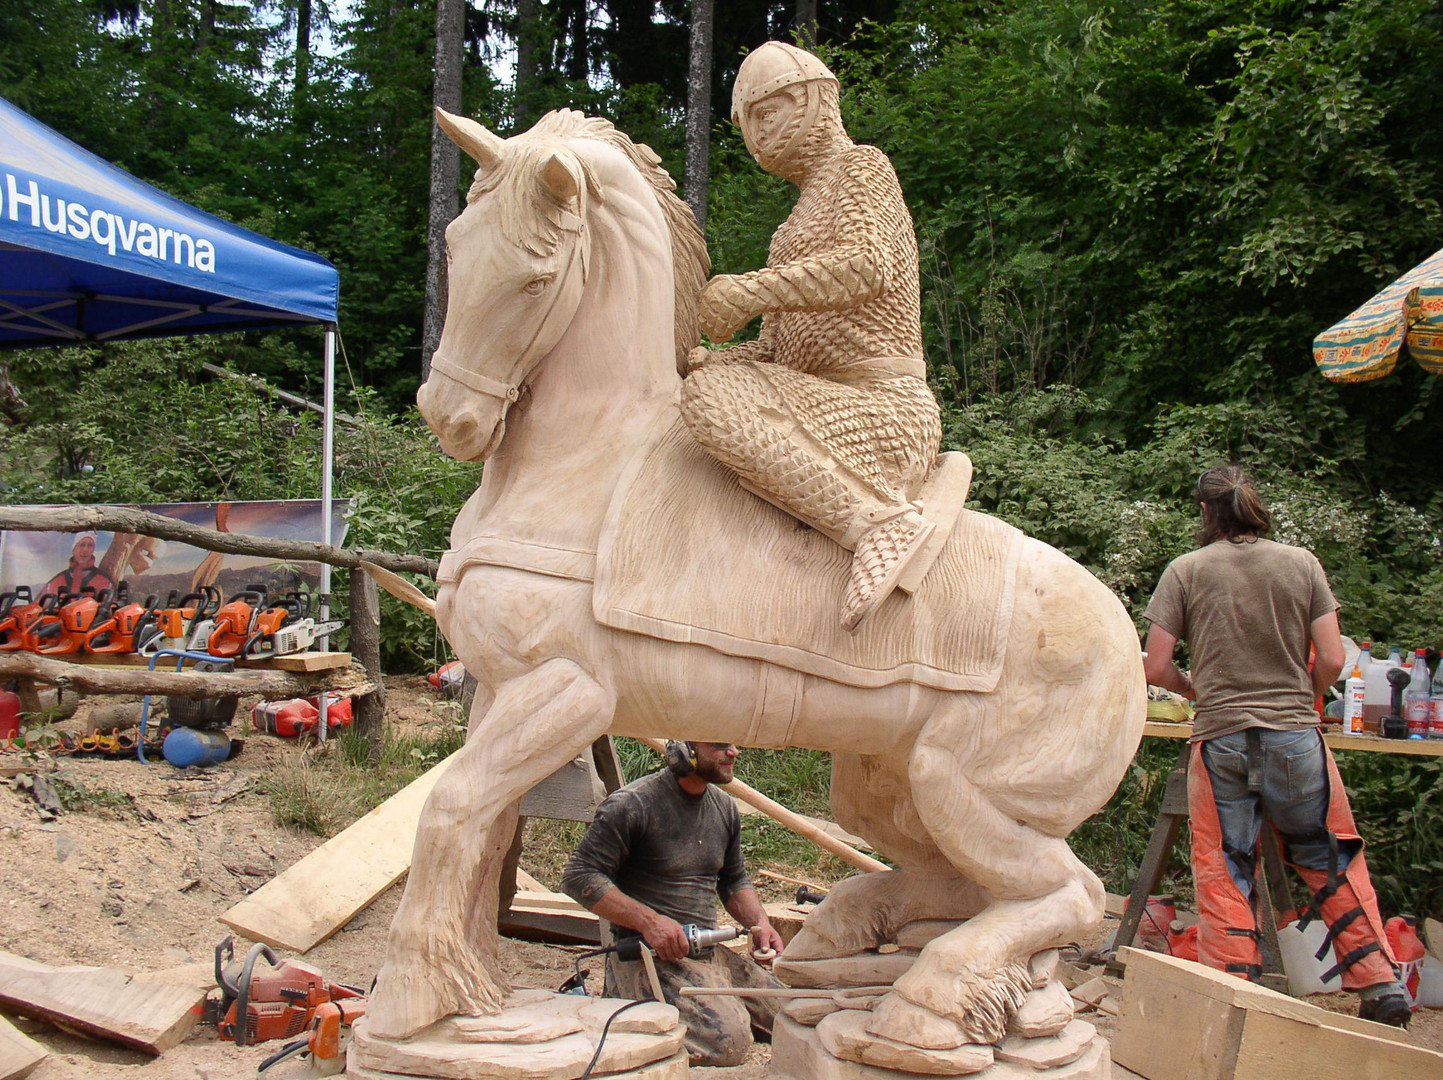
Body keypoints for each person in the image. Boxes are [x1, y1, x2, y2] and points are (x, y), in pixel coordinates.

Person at [680, 41, 942, 632]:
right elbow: (775, 352)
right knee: (703, 385)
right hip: (820, 399)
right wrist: (707, 358)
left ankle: (878, 521)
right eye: (749, 124)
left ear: (811, 101)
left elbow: (867, 265)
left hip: (880, 406)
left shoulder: (861, 167)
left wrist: (750, 292)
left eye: (767, 114)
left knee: (709, 401)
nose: (756, 138)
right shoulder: (789, 228)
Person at [1142, 465, 1410, 1025]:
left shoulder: (1185, 571)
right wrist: (1305, 701)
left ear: (1205, 512)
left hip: (1220, 738)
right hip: (1297, 738)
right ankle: (1380, 986)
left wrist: (1194, 687)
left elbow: (1157, 665)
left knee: (1225, 867)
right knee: (1329, 855)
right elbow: (1334, 659)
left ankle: (1238, 990)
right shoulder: (1301, 563)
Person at [561, 740, 787, 1066]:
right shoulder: (632, 805)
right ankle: (628, 1000)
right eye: (720, 744)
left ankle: (717, 1002)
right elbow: (579, 876)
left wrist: (760, 924)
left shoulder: (724, 808)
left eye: (735, 743)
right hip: (647, 957)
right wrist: (649, 922)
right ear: (685, 749)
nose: (734, 752)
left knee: (791, 1014)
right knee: (731, 1044)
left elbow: (734, 881)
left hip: (705, 951)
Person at [41, 531, 113, 597]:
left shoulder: (104, 581)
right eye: (82, 545)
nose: (85, 549)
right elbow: (40, 605)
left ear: (93, 550)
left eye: (90, 545)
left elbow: (112, 606)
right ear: (74, 549)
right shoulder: (57, 581)